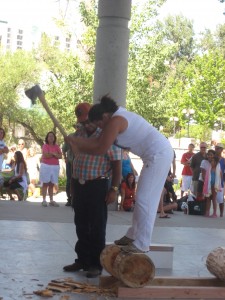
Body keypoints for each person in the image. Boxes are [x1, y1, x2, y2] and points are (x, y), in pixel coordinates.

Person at [66, 95, 173, 254]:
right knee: (142, 198)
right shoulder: (114, 118)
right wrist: (76, 142)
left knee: (145, 200)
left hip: (159, 155)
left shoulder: (116, 121)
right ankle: (133, 235)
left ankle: (142, 243)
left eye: (99, 124)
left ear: (104, 116)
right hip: (153, 156)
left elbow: (100, 148)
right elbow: (96, 144)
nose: (100, 128)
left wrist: (78, 143)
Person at [63, 102, 121, 278]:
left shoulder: (107, 136)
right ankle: (82, 259)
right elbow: (73, 162)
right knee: (80, 223)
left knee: (96, 225)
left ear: (96, 120)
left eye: (88, 121)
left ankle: (96, 264)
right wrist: (72, 188)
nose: (85, 125)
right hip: (79, 185)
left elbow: (117, 165)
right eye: (82, 122)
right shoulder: (77, 136)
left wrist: (114, 189)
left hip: (97, 185)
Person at [39, 131, 62, 207]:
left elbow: (60, 156)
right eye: (49, 136)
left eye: (52, 136)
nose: (51, 138)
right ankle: (44, 200)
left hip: (55, 166)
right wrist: (54, 154)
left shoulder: (57, 146)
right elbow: (46, 155)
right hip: (46, 166)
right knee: (45, 183)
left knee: (52, 184)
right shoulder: (45, 146)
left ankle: (51, 200)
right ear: (47, 138)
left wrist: (51, 154)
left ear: (54, 138)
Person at [201, 150, 221, 217]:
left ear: (215, 162)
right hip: (209, 185)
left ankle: (214, 212)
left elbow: (219, 178)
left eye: (212, 161)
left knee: (214, 199)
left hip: (214, 186)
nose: (211, 162)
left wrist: (217, 186)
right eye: (211, 161)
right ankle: (207, 212)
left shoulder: (217, 169)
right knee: (208, 198)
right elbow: (206, 177)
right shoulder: (209, 169)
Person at [62, 138, 74, 206]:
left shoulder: (85, 136)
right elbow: (63, 149)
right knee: (69, 180)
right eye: (77, 126)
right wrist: (65, 158)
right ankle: (69, 198)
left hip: (79, 162)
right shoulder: (71, 137)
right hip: (70, 162)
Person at [214, 143, 225, 217]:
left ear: (221, 150)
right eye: (216, 148)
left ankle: (221, 213)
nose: (216, 149)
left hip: (220, 181)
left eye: (218, 148)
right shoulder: (212, 158)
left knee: (220, 199)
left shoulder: (224, 160)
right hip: (212, 179)